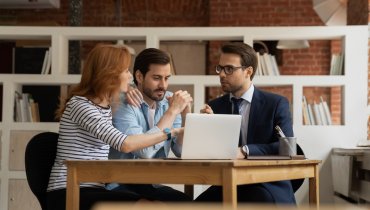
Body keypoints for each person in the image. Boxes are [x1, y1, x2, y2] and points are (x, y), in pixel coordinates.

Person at [46, 44, 184, 210]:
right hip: (69, 190)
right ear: (109, 74)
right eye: (126, 71)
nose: (130, 77)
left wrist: (127, 90)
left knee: (157, 205)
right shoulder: (81, 105)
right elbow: (125, 144)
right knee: (149, 207)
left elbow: (112, 96)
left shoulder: (104, 105)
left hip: (95, 188)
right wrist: (170, 132)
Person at [196, 42, 296, 204]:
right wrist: (206, 127)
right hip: (228, 183)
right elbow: (212, 153)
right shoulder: (215, 106)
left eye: (229, 69)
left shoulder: (276, 103)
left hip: (266, 184)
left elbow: (286, 146)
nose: (221, 74)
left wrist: (245, 151)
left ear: (248, 71)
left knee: (255, 200)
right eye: (220, 68)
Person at [107, 48, 192, 201]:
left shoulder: (169, 102)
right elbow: (144, 152)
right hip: (120, 183)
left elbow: (180, 151)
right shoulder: (122, 103)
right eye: (157, 78)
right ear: (139, 76)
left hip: (150, 184)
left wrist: (187, 116)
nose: (163, 85)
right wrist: (172, 112)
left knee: (185, 202)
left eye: (167, 78)